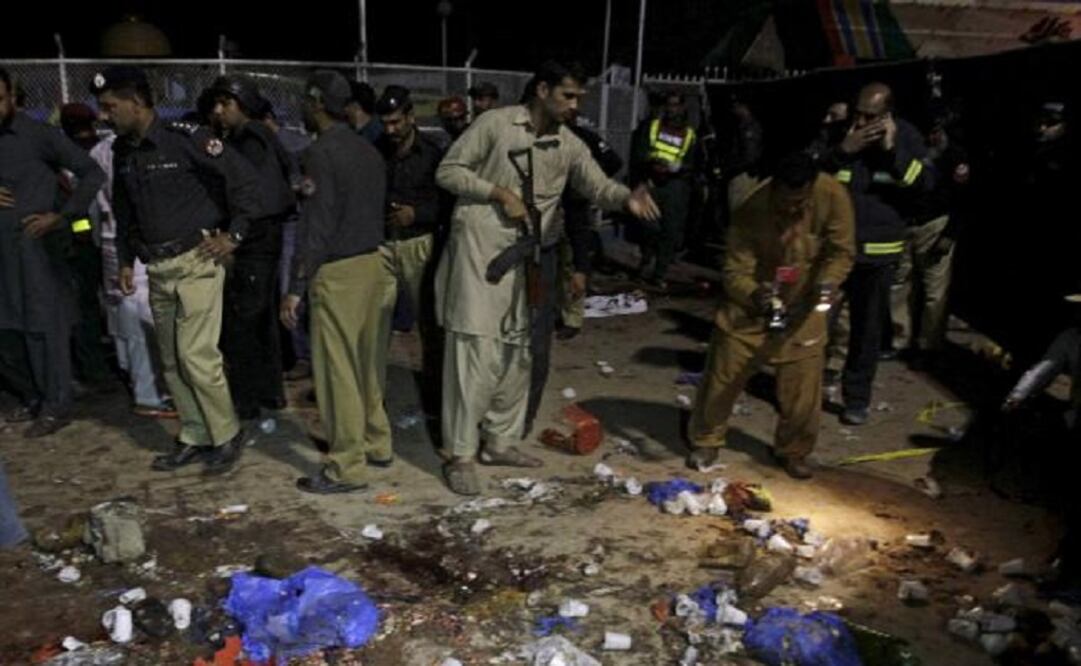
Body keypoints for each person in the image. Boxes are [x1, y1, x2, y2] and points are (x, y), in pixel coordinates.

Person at [434, 60, 659, 495]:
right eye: (568, 96)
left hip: (529, 261)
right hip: (480, 256)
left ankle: (499, 442)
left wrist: (626, 198)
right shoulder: (496, 124)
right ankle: (459, 452)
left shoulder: (568, 144)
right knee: (474, 353)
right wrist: (497, 192)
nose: (574, 106)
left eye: (578, 99)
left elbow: (597, 187)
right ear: (542, 90)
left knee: (520, 353)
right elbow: (449, 172)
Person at [92, 65, 258, 474]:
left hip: (197, 261)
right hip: (157, 267)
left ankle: (227, 434)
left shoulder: (185, 138)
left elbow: (245, 182)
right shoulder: (122, 150)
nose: (104, 115)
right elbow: (126, 208)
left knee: (195, 355)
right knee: (171, 361)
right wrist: (128, 260)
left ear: (136, 102)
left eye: (110, 106)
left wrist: (233, 236)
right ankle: (196, 434)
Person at [687, 152, 854, 479]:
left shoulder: (833, 197)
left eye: (800, 202)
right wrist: (755, 294)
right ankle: (707, 439)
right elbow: (735, 270)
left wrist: (827, 284)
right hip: (752, 305)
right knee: (722, 379)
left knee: (804, 392)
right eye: (785, 202)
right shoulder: (752, 208)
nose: (792, 210)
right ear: (774, 188)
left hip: (805, 305)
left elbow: (842, 251)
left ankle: (794, 450)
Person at [280, 71, 395, 494]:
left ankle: (346, 466)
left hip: (339, 272)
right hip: (374, 264)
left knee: (337, 372)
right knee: (367, 365)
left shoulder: (319, 154)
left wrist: (295, 285)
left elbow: (317, 225)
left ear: (315, 103)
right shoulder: (369, 150)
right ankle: (377, 443)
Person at [817, 82, 935, 425]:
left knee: (866, 332)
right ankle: (808, 385)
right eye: (859, 113)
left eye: (871, 116)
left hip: (878, 256)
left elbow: (923, 185)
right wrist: (843, 149)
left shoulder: (908, 137)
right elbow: (810, 175)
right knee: (816, 320)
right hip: (835, 251)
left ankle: (856, 399)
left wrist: (892, 150)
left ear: (888, 114)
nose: (862, 120)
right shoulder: (841, 134)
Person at [0, 67, 105, 438]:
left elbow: (92, 174)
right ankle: (29, 396)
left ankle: (55, 405)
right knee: (9, 333)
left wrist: (60, 218)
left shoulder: (37, 136)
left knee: (44, 330)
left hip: (36, 252)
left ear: (12, 95)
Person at [208, 76, 295, 421]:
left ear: (242, 105)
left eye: (225, 104)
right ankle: (269, 392)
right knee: (260, 319)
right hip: (264, 234)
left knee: (241, 320)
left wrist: (237, 234)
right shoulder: (260, 135)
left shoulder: (250, 139)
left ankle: (247, 399)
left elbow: (256, 192)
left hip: (256, 237)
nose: (218, 111)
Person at [91, 133, 176, 418]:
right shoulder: (140, 147)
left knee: (120, 309)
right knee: (141, 314)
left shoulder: (98, 150)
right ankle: (152, 394)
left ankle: (133, 376)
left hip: (108, 238)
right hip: (135, 240)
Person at [375, 85, 447, 414]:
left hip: (419, 244)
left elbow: (447, 204)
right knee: (376, 321)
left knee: (429, 324)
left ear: (410, 117)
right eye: (385, 123)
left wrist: (416, 214)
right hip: (383, 245)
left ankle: (435, 392)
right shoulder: (377, 150)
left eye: (395, 122)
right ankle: (373, 394)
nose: (390, 130)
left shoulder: (433, 154)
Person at [59, 103, 114, 389]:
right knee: (99, 306)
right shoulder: (97, 149)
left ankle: (98, 366)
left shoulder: (78, 153)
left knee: (95, 306)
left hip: (93, 241)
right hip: (95, 241)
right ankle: (101, 367)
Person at [630, 91, 702, 289]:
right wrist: (652, 163)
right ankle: (644, 265)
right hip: (652, 181)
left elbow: (693, 164)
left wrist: (679, 167)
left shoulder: (689, 134)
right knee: (649, 227)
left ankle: (659, 273)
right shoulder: (652, 127)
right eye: (669, 105)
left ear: (683, 108)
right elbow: (639, 153)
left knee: (670, 231)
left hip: (675, 186)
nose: (672, 110)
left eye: (676, 106)